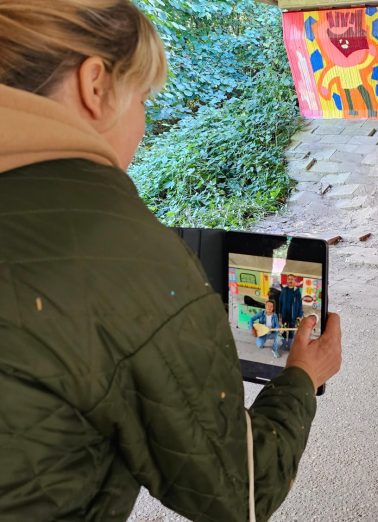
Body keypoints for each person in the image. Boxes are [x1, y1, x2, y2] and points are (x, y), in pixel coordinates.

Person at [0, 2, 342, 521]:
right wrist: (300, 376)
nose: (140, 127)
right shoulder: (118, 252)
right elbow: (238, 488)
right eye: (141, 97)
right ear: (95, 86)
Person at [279, 274, 305, 349]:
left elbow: (300, 304)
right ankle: (284, 344)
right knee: (283, 330)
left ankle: (289, 345)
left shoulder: (297, 291)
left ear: (294, 281)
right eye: (289, 279)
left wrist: (300, 315)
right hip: (284, 314)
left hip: (293, 315)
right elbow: (280, 302)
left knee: (291, 332)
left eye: (292, 279)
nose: (290, 280)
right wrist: (279, 313)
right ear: (287, 280)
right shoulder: (284, 290)